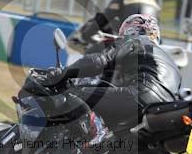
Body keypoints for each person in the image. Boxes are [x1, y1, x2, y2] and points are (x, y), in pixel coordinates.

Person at [45, 14, 181, 129]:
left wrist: (64, 73)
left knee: (72, 94)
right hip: (164, 109)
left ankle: (88, 142)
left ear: (129, 30)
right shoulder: (170, 59)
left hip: (140, 96)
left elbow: (98, 61)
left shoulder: (133, 41)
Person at [69, 0, 160, 53]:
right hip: (149, 47)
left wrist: (84, 36)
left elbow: (103, 19)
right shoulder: (154, 3)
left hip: (127, 45)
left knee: (90, 54)